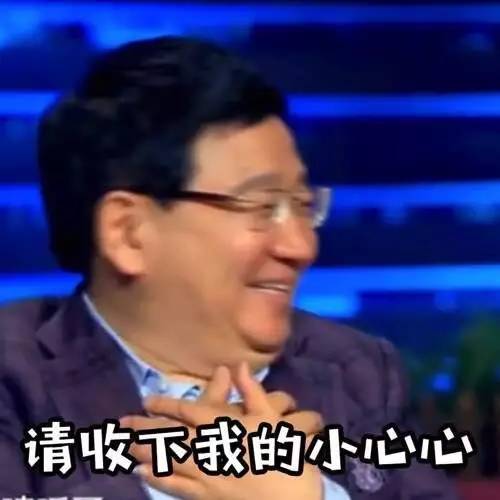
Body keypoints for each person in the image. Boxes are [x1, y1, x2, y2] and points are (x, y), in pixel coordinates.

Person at [0, 36, 457, 499]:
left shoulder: (354, 372)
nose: (301, 246)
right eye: (261, 206)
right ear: (128, 233)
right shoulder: (15, 383)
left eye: (302, 204)